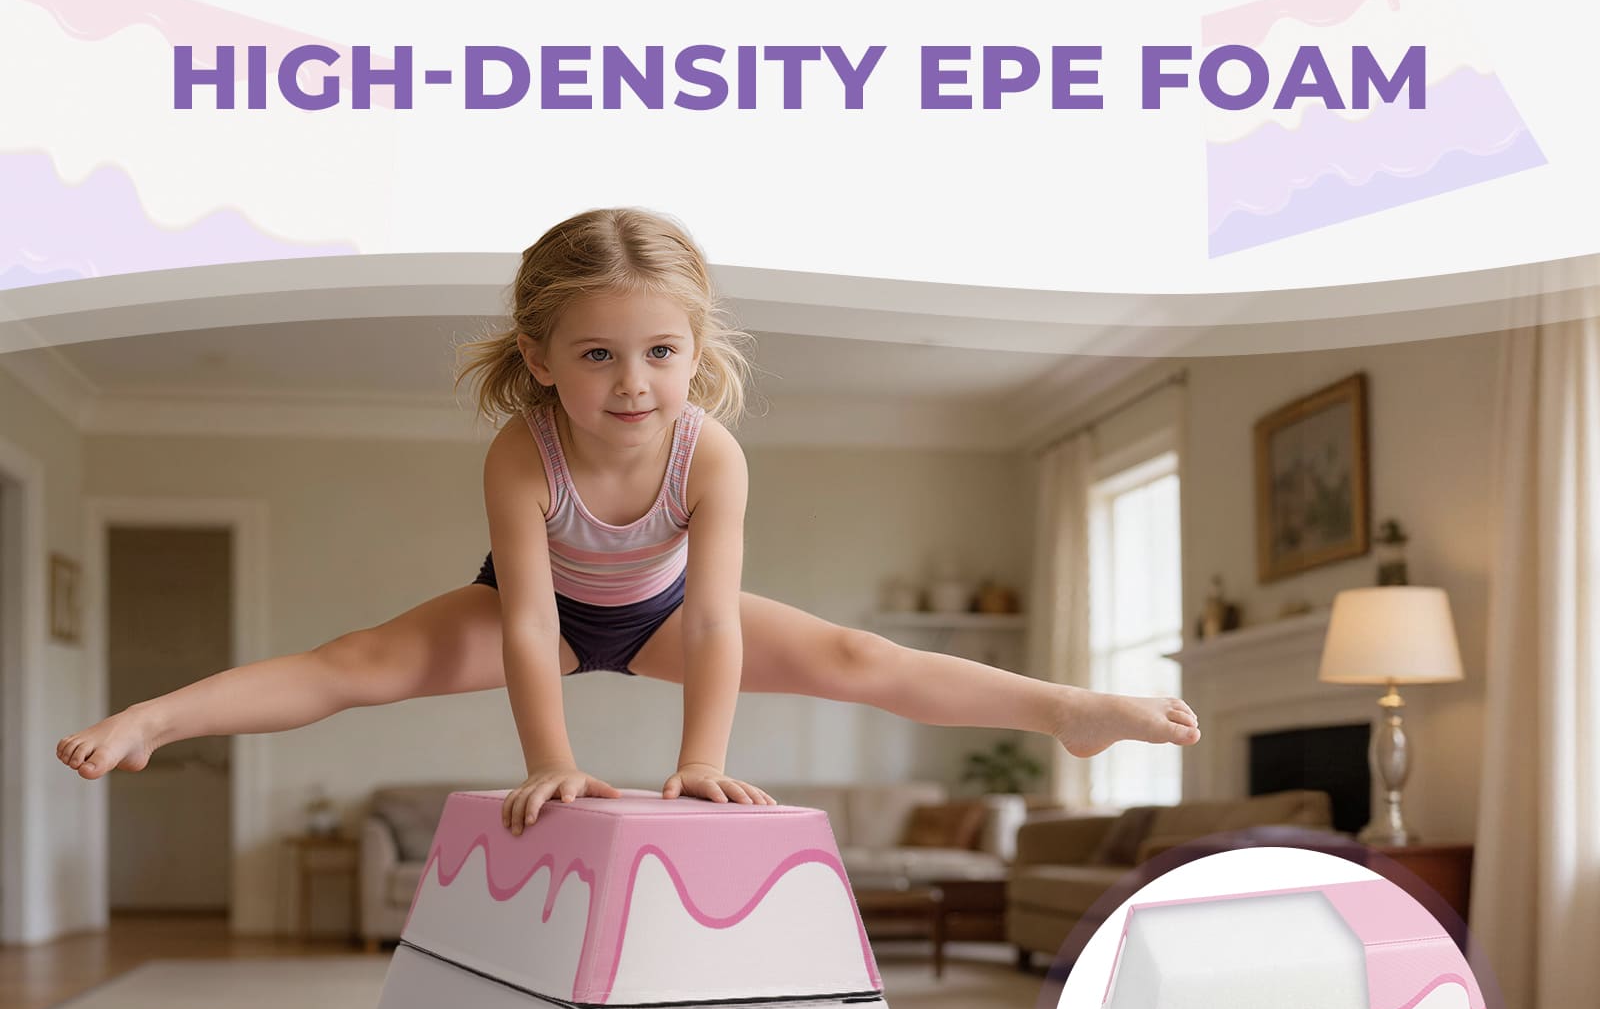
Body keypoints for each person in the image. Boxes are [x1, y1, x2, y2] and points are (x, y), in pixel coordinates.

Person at [56, 206, 1200, 835]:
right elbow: (522, 623)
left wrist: (698, 761)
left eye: (660, 351)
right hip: (535, 612)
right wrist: (554, 762)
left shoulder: (712, 452)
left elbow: (711, 626)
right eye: (596, 354)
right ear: (541, 360)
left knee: (861, 656)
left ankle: (1074, 711)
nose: (632, 380)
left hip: (658, 615)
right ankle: (165, 718)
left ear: (697, 354)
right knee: (356, 662)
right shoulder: (523, 450)